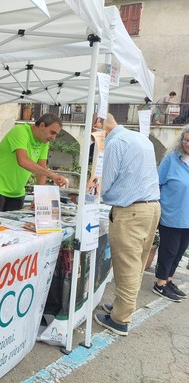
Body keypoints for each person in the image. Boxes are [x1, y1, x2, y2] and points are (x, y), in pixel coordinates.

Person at [95, 113, 161, 336]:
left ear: (100, 127)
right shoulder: (141, 138)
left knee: (127, 267)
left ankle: (120, 319)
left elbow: (105, 182)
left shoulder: (115, 143)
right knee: (138, 263)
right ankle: (122, 307)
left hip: (131, 211)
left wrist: (90, 189)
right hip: (151, 208)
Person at [0, 113, 69, 214]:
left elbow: (42, 170)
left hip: (18, 192)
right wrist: (52, 175)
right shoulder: (20, 131)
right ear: (42, 125)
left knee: (13, 227)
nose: (53, 137)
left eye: (56, 134)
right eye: (52, 132)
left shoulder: (44, 143)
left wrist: (38, 197)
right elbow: (23, 161)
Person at [152, 126, 189, 301]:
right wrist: (159, 207)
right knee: (169, 250)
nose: (188, 144)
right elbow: (157, 184)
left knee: (180, 251)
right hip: (171, 215)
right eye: (186, 140)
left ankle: (168, 280)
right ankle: (160, 284)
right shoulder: (172, 159)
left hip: (187, 217)